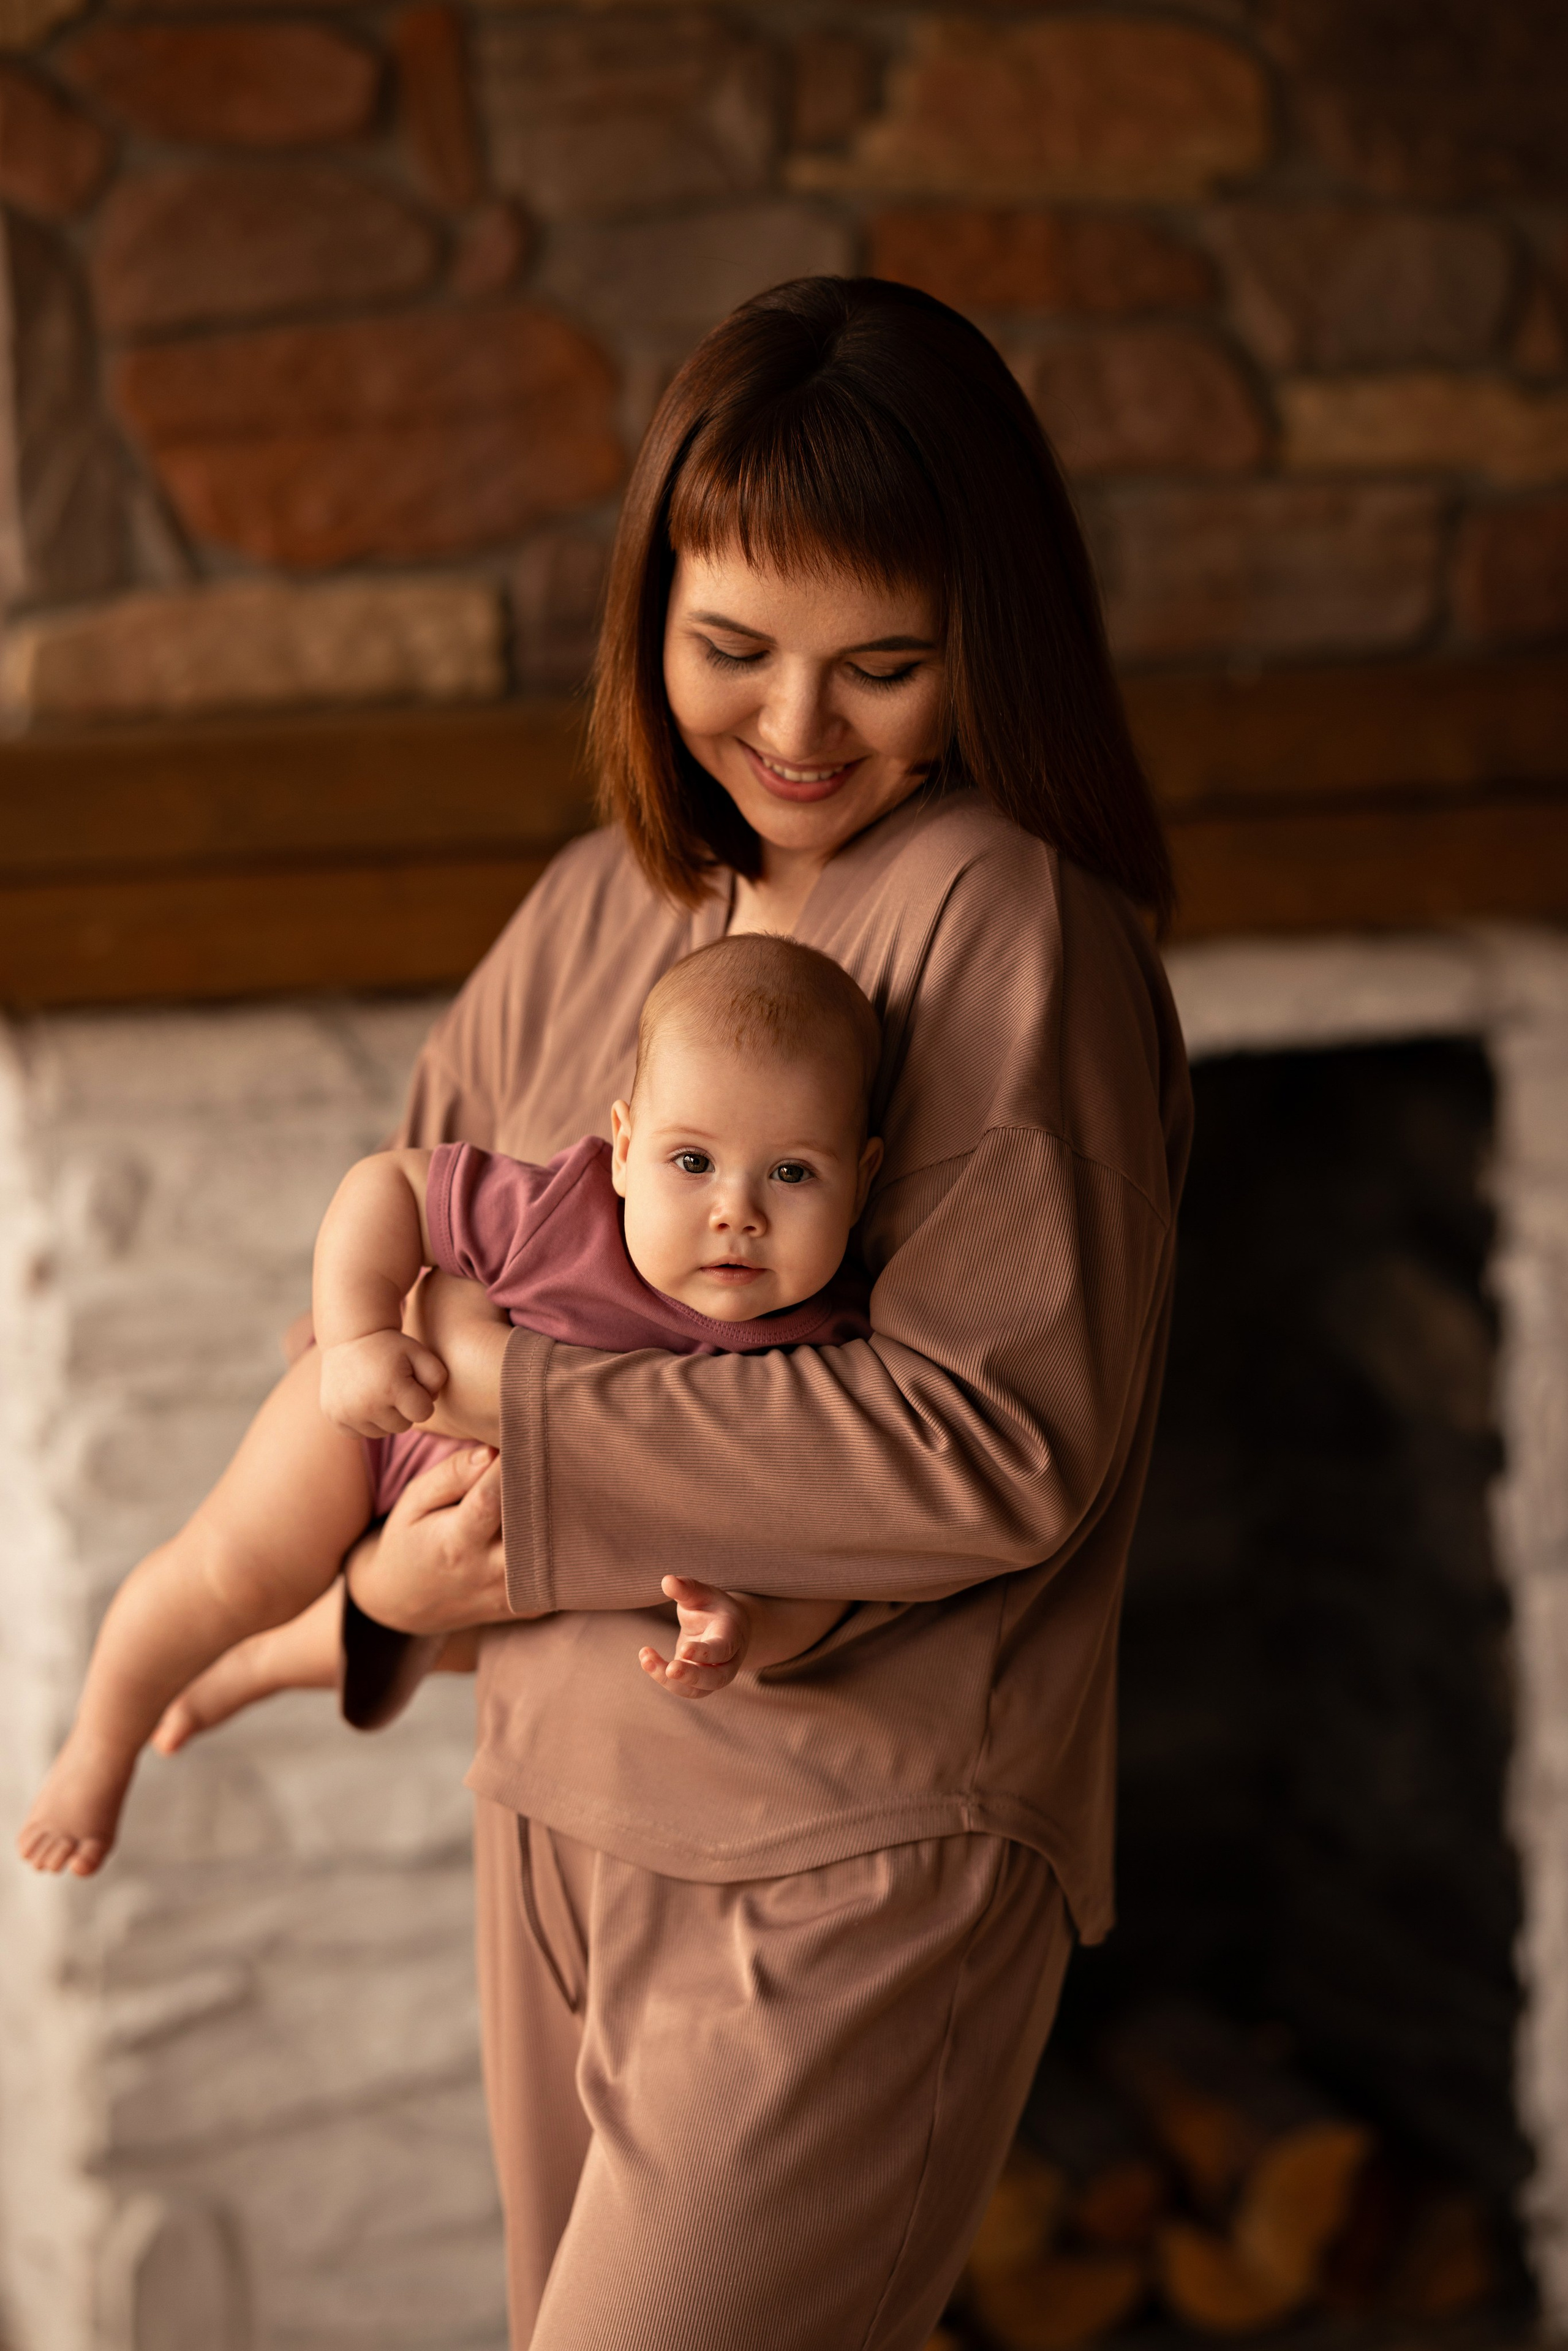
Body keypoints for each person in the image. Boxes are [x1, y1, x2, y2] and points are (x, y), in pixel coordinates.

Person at [154, 276, 1193, 2351]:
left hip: (852, 1865)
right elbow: (392, 1313)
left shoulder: (1008, 927)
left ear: (982, 644)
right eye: (732, 650)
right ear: (651, 617)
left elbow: (994, 1442)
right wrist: (360, 1582)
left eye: (879, 665)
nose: (796, 730)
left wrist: (507, 1405)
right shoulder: (594, 909)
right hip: (554, 1815)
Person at [17, 935, 884, 1876]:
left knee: (479, 1637)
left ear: (864, 1180)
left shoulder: (822, 1348)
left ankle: (257, 1666)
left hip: (532, 1556)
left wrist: (752, 1626)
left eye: (792, 1173)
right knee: (230, 1573)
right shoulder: (562, 1212)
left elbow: (817, 1551)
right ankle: (99, 1743)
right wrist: (354, 1339)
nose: (737, 1212)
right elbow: (385, 1185)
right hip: (381, 1428)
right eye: (691, 1160)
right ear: (626, 1148)